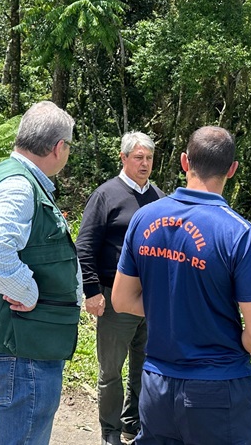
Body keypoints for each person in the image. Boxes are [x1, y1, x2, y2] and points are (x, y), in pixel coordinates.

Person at [112, 126, 251, 445]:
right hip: (218, 390)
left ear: (185, 162)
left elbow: (121, 298)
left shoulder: (144, 218)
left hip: (156, 385)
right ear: (232, 169)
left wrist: (170, 306)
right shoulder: (237, 233)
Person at [0, 101, 79, 445]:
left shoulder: (2, 176)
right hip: (24, 346)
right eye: (68, 146)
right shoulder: (19, 185)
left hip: (19, 344)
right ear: (58, 148)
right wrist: (26, 291)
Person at [75, 132, 166, 445]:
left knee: (145, 365)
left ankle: (133, 424)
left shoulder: (159, 196)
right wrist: (91, 291)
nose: (144, 164)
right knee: (111, 370)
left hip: (151, 299)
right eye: (138, 157)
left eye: (149, 158)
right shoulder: (106, 195)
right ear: (124, 158)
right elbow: (85, 245)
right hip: (114, 296)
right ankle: (110, 431)